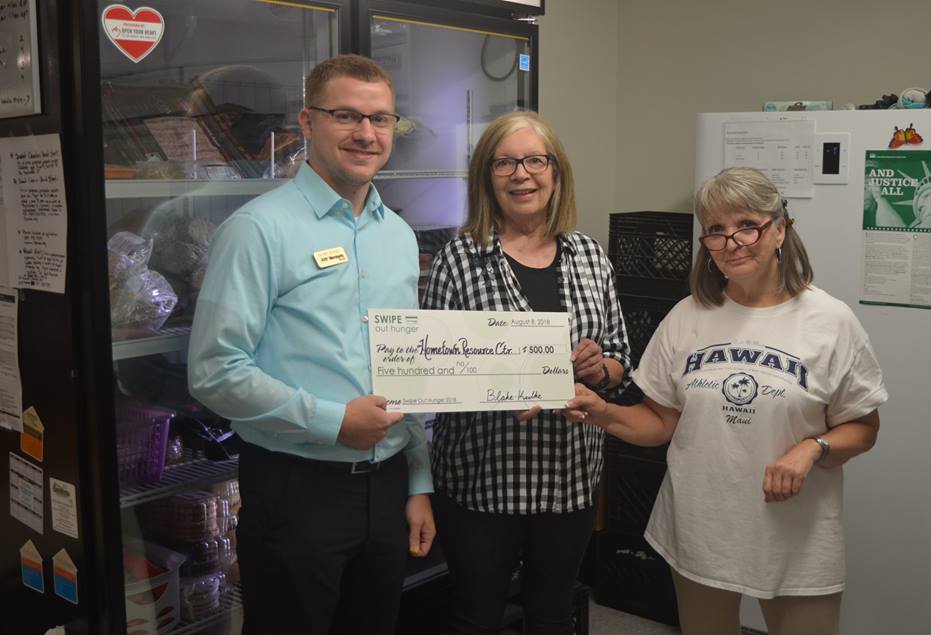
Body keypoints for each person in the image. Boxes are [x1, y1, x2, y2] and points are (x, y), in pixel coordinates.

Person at [564, 166, 887, 635]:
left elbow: (864, 428)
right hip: (702, 529)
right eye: (716, 229)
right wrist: (603, 412)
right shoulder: (687, 316)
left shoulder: (830, 321)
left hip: (796, 537)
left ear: (779, 230)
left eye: (747, 225)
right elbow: (660, 422)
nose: (732, 241)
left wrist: (812, 448)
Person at [187, 54, 435, 635]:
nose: (366, 133)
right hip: (295, 490)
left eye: (380, 119)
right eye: (345, 115)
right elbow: (215, 369)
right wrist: (333, 421)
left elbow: (406, 370)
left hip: (388, 487)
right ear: (307, 121)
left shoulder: (399, 237)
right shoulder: (257, 230)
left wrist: (418, 482)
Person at [422, 111, 631, 634]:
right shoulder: (457, 260)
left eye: (535, 161)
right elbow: (431, 371)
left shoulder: (590, 256)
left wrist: (597, 368)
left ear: (556, 173)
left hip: (569, 478)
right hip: (481, 478)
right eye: (505, 163)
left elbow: (620, 359)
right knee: (475, 617)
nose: (522, 174)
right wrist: (498, 388)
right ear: (487, 176)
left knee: (552, 615)